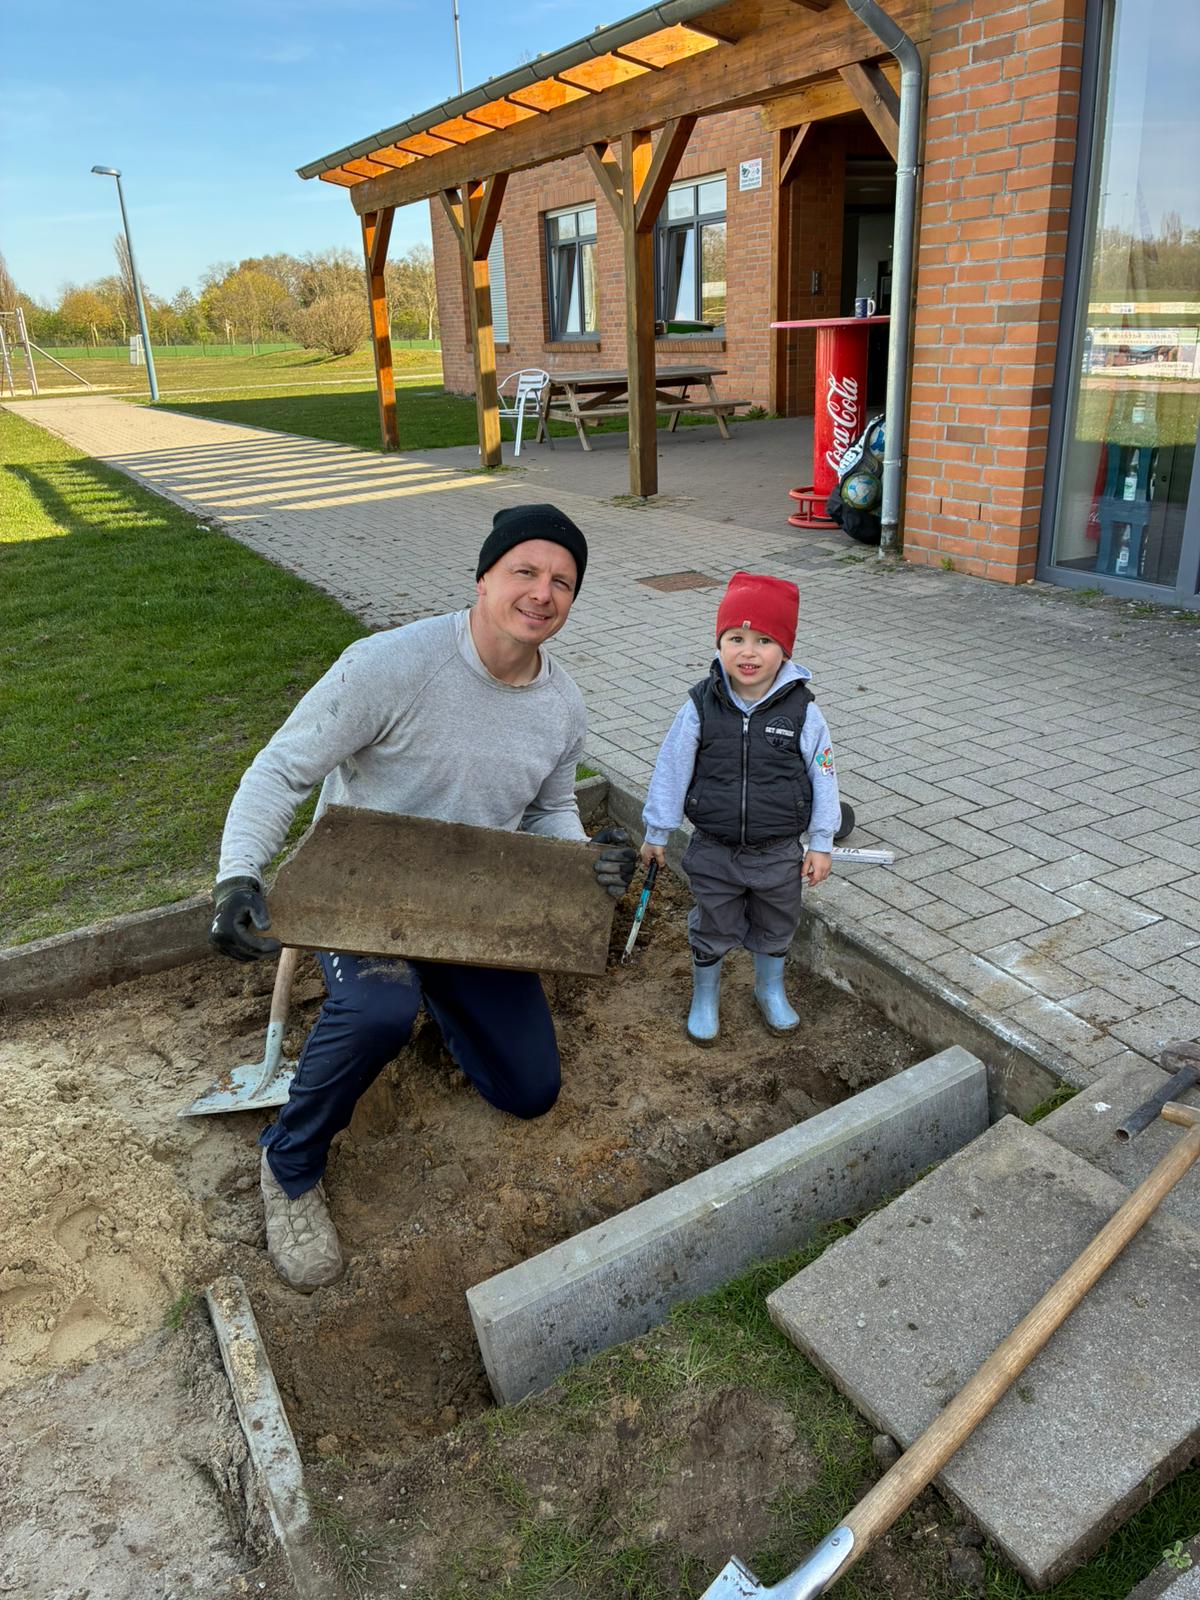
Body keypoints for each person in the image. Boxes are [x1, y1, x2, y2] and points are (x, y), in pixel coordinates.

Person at [208, 504, 636, 1292]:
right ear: (483, 578)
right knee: (379, 1007)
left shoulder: (561, 706)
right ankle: (290, 1162)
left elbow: (548, 808)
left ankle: (441, 995)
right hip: (362, 893)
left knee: (529, 1091)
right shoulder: (390, 665)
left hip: (472, 909)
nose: (543, 593)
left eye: (562, 582)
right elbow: (282, 769)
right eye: (525, 571)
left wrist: (584, 861)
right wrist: (239, 874)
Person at [638, 570, 840, 1046]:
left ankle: (769, 989)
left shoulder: (803, 711)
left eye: (764, 640)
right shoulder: (700, 705)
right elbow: (672, 767)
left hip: (778, 851)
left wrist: (821, 842)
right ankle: (705, 996)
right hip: (714, 848)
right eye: (736, 638)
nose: (748, 652)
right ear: (720, 643)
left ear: (784, 650)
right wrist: (657, 830)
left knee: (777, 921)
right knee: (713, 920)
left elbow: (824, 774)